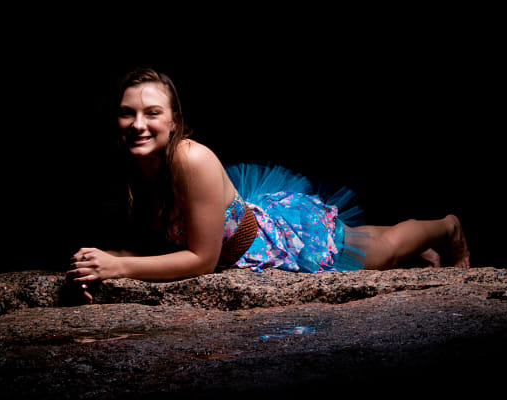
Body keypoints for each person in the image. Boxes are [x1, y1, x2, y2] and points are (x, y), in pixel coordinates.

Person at [68, 67, 470, 303]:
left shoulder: (191, 159)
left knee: (382, 253)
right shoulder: (134, 166)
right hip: (251, 224)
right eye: (127, 113)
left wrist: (120, 266)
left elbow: (202, 261)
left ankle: (447, 227)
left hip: (273, 243)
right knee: (356, 236)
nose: (138, 124)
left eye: (152, 113)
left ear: (174, 121)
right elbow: (154, 246)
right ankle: (424, 249)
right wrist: (95, 264)